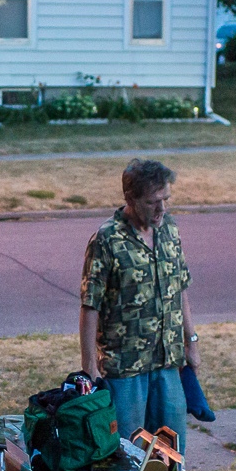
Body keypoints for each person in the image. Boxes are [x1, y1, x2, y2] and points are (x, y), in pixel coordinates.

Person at [79, 158, 199, 449]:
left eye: (165, 200)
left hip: (168, 363)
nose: (161, 209)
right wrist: (89, 368)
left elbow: (180, 287)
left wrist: (191, 341)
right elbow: (89, 305)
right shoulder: (107, 239)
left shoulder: (169, 229)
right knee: (127, 454)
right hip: (125, 369)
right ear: (130, 199)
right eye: (152, 202)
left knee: (170, 454)